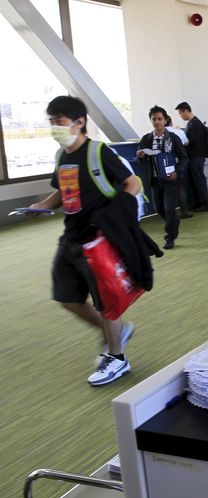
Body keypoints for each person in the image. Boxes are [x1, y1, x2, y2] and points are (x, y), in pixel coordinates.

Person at [29, 96, 140, 385]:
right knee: (66, 297)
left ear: (80, 122)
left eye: (60, 121)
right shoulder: (62, 155)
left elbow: (133, 182)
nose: (55, 127)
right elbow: (61, 193)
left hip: (98, 240)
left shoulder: (98, 152)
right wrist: (42, 205)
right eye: (51, 121)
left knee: (107, 303)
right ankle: (114, 333)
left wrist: (115, 215)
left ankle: (117, 359)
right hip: (70, 236)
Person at [137, 105, 188, 250]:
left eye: (160, 119)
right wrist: (140, 157)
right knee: (160, 209)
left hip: (170, 180)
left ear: (165, 120)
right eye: (154, 119)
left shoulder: (173, 138)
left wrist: (177, 172)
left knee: (169, 208)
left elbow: (184, 158)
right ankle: (173, 222)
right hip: (154, 179)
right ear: (151, 121)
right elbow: (140, 159)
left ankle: (170, 237)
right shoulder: (146, 139)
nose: (157, 122)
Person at [175, 101, 208, 212]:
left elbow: (194, 141)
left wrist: (182, 139)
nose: (180, 116)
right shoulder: (192, 123)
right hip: (195, 156)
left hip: (197, 156)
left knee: (199, 180)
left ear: (186, 111)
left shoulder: (195, 124)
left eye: (180, 113)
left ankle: (205, 204)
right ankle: (199, 203)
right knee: (196, 180)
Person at [164, 114, 192, 219]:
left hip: (165, 164)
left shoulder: (159, 134)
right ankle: (184, 211)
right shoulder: (179, 132)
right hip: (179, 163)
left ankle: (169, 214)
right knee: (181, 188)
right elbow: (187, 143)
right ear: (170, 122)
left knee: (168, 190)